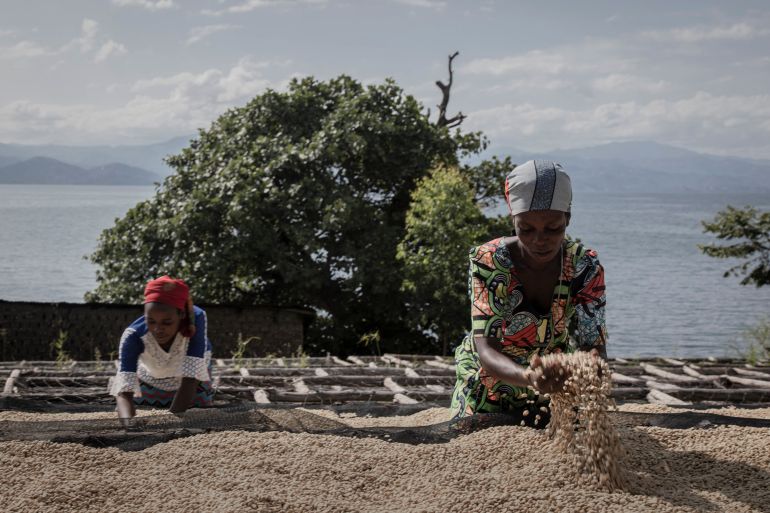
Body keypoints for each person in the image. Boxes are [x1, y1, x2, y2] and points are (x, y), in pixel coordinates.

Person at [450, 160, 607, 422]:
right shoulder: (489, 262)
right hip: (490, 380)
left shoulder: (584, 267)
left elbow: (595, 348)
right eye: (526, 228)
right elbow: (486, 349)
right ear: (513, 219)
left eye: (553, 228)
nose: (539, 239)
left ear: (567, 218)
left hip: (555, 381)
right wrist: (529, 377)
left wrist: (588, 372)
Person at [110, 276, 214, 422]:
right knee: (142, 405)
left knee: (199, 410)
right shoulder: (133, 336)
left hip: (190, 378)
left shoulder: (196, 320)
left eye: (167, 322)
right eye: (151, 321)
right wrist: (128, 424)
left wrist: (170, 420)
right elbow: (124, 391)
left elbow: (191, 378)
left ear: (181, 315)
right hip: (152, 375)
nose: (158, 329)